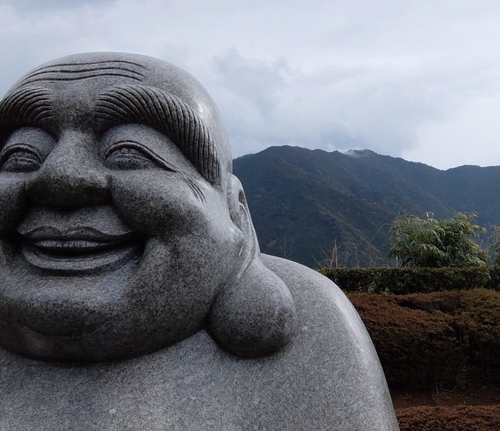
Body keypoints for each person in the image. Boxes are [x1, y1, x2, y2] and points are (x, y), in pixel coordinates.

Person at [0, 53, 399, 430]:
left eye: (130, 154)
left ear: (235, 212)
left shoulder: (317, 329)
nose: (60, 177)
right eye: (21, 157)